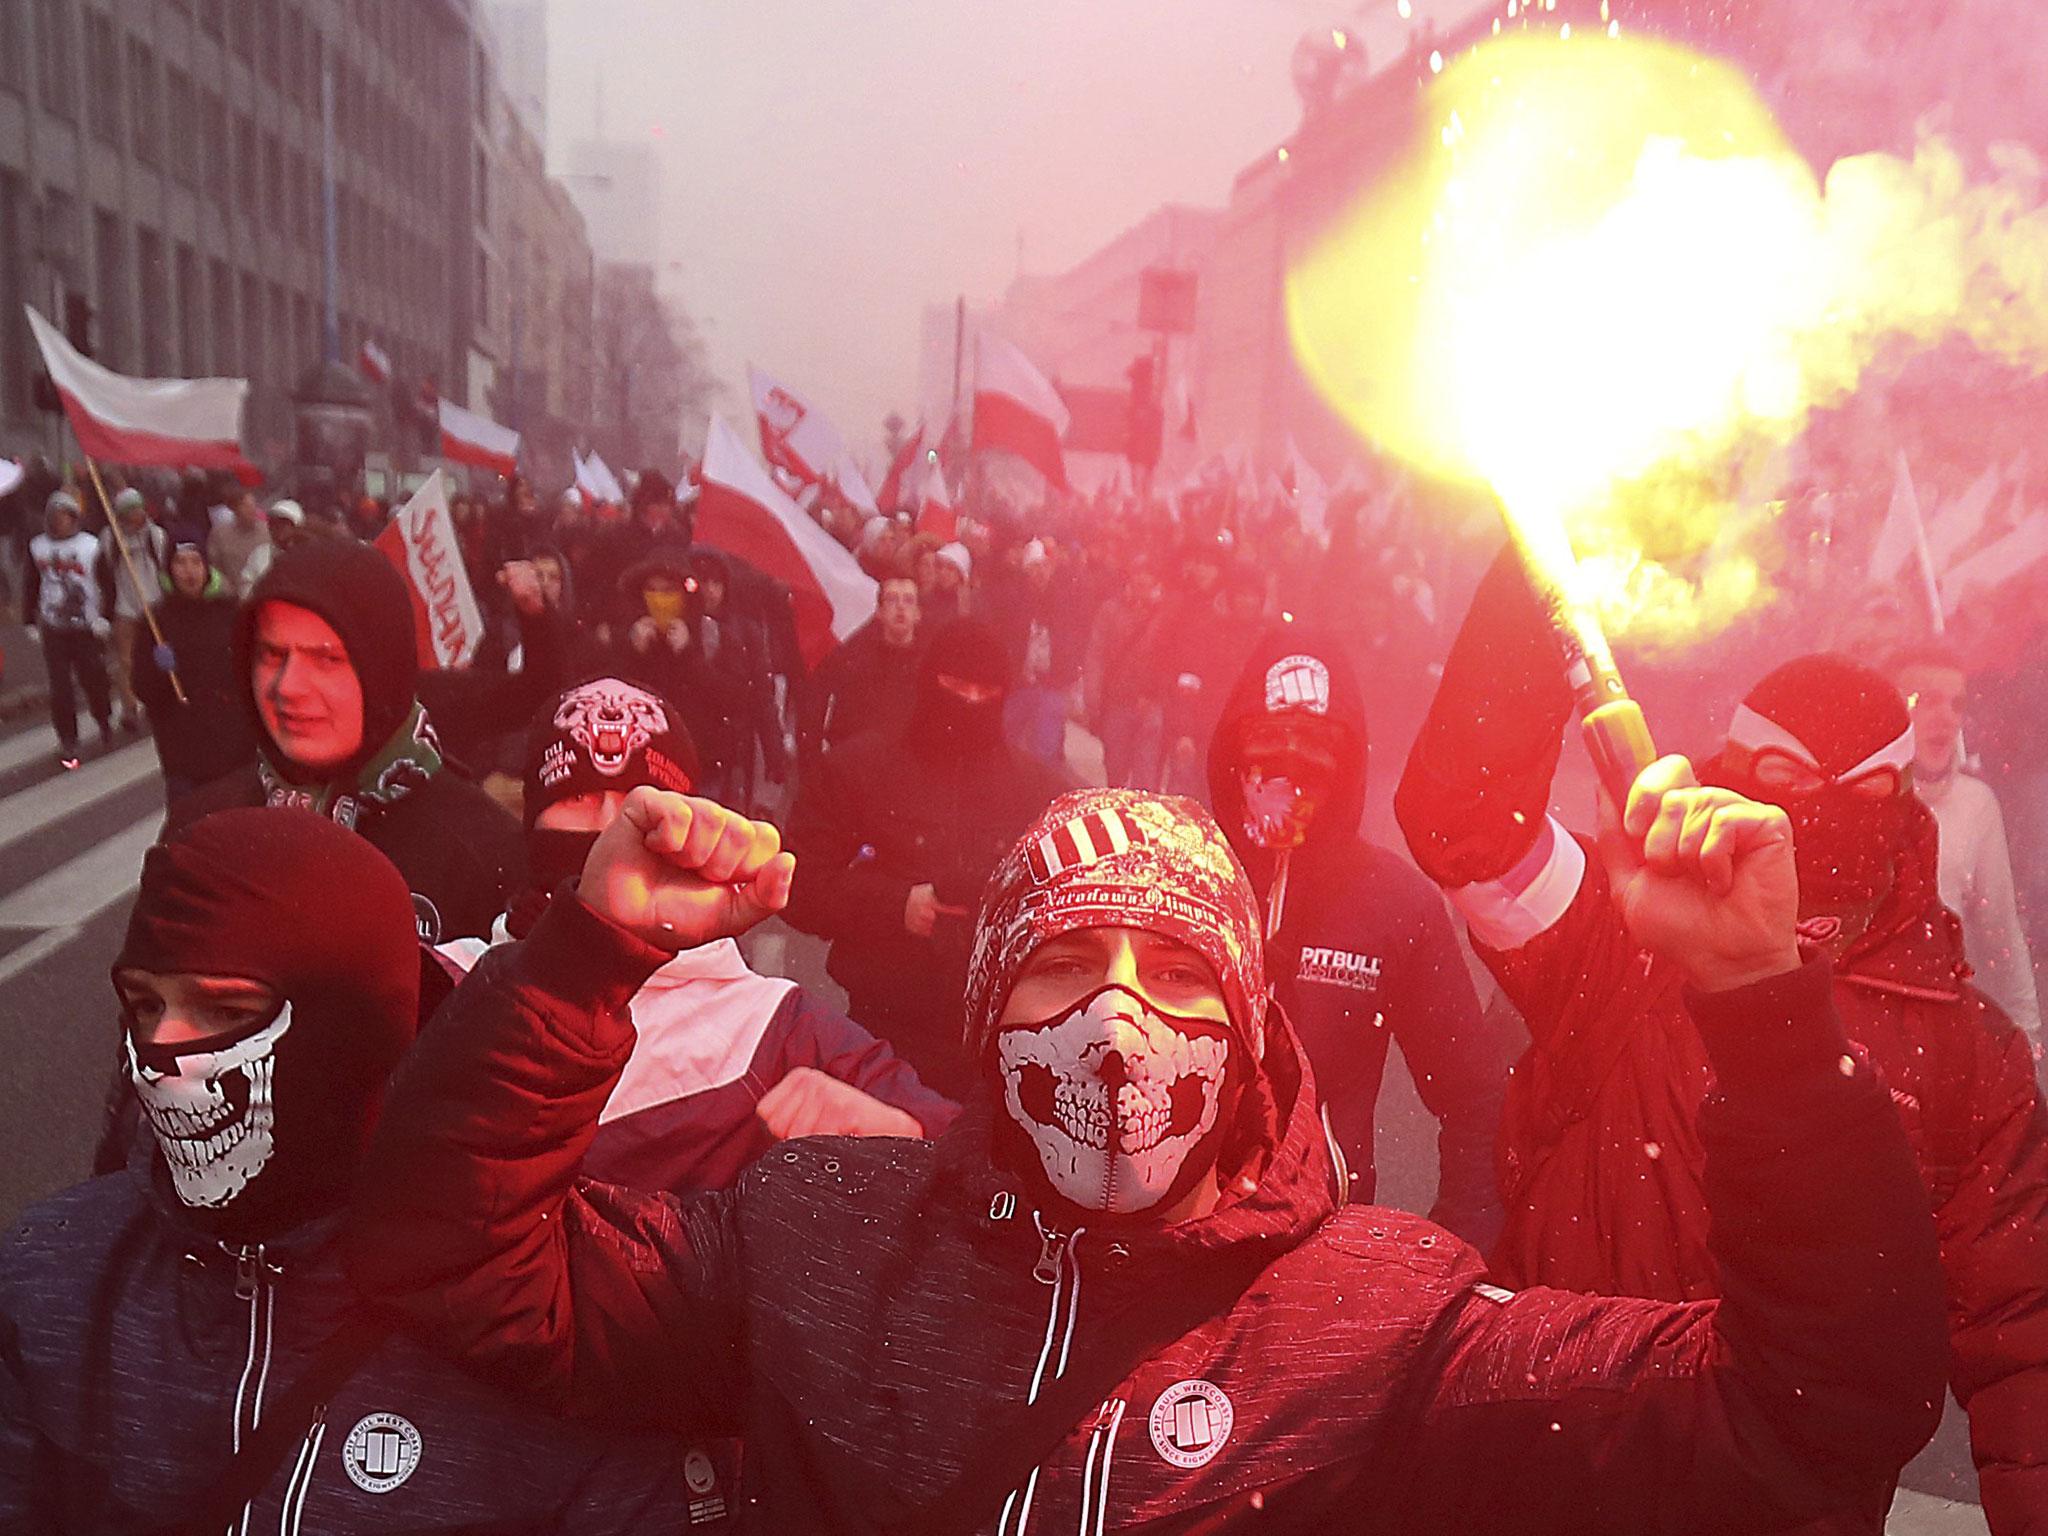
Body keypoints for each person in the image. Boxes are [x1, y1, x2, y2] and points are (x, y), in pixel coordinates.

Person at [349, 769, 1949, 1534]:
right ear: (987, 1020)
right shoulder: (818, 1238)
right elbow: (460, 1252)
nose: (1119, 1017)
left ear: (1247, 1026)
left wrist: (1764, 1016)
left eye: (1180, 972)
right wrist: (581, 962)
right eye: (1061, 967)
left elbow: (1804, 1419)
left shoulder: (1387, 1326)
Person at [1394, 549, 2048, 1534]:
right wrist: (1533, 593)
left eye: (1859, 795)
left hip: (1789, 1505)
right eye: (1784, 778)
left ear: (1903, 809)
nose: (1819, 814)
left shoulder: (1966, 1055)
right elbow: (1466, 826)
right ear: (1735, 779)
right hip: (1562, 1465)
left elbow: (2024, 1347)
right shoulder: (1628, 934)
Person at [0, 809, 703, 1532]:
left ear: (350, 1028)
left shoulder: (537, 1308)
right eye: (145, 1004)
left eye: (224, 1006)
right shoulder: (54, 1277)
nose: (160, 1050)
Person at [435, 675, 956, 1195]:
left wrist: (902, 1141)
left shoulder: (778, 1030)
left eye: (641, 804)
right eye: (581, 797)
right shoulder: (445, 985)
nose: (612, 828)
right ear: (531, 818)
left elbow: (976, 1177)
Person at [1208, 627, 1506, 1245]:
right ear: (1231, 752)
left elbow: (1475, 1098)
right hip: (1170, 1246)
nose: (1289, 772)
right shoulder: (1172, 869)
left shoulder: (1397, 904)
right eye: (1266, 742)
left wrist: (1456, 1249)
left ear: (1348, 765)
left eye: (1315, 750)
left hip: (1317, 1251)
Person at [170, 540, 525, 945]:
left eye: (326, 659)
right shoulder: (199, 831)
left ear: (383, 670)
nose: (288, 687)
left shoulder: (483, 851)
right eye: (271, 654)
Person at [782, 618, 1069, 1098]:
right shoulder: (859, 770)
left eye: (986, 691)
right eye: (957, 686)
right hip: (884, 1027)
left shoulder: (1035, 789)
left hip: (997, 1042)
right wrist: (896, 906)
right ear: (930, 681)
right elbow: (798, 883)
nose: (971, 702)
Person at [1892, 643, 2043, 1046]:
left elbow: (2001, 935)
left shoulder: (1976, 804)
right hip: (1873, 1031)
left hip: (1944, 1024)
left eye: (1956, 703)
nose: (1946, 716)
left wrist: (2026, 1039)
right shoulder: (1866, 801)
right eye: (1924, 700)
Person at [131, 542, 255, 807]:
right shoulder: (156, 622)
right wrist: (158, 670)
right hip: (183, 752)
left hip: (234, 747)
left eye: (196, 562)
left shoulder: (229, 612)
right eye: (180, 563)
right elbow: (143, 688)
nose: (190, 572)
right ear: (169, 570)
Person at [25, 489, 113, 768]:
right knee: (60, 687)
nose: (59, 521)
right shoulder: (37, 546)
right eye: (55, 516)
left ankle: (103, 717)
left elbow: (107, 583)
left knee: (93, 678)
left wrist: (105, 617)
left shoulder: (91, 546)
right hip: (54, 628)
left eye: (64, 516)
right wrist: (29, 619)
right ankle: (67, 738)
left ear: (74, 517)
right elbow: (31, 584)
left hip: (86, 626)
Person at [796, 570, 923, 760]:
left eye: (908, 600)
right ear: (879, 612)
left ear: (918, 613)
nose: (900, 608)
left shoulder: (925, 666)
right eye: (891, 600)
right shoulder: (858, 661)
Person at [94, 486, 167, 735]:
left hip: (153, 604)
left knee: (157, 656)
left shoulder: (155, 536)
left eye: (139, 508)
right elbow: (102, 572)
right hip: (124, 607)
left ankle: (157, 699)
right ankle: (129, 708)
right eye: (131, 510)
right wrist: (103, 611)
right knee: (125, 661)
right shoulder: (110, 537)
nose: (137, 514)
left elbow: (164, 567)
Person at [207, 487, 272, 599]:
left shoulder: (267, 532)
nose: (251, 510)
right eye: (245, 506)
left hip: (263, 595)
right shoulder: (220, 534)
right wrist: (228, 589)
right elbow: (214, 566)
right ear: (234, 508)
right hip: (231, 596)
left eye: (253, 505)